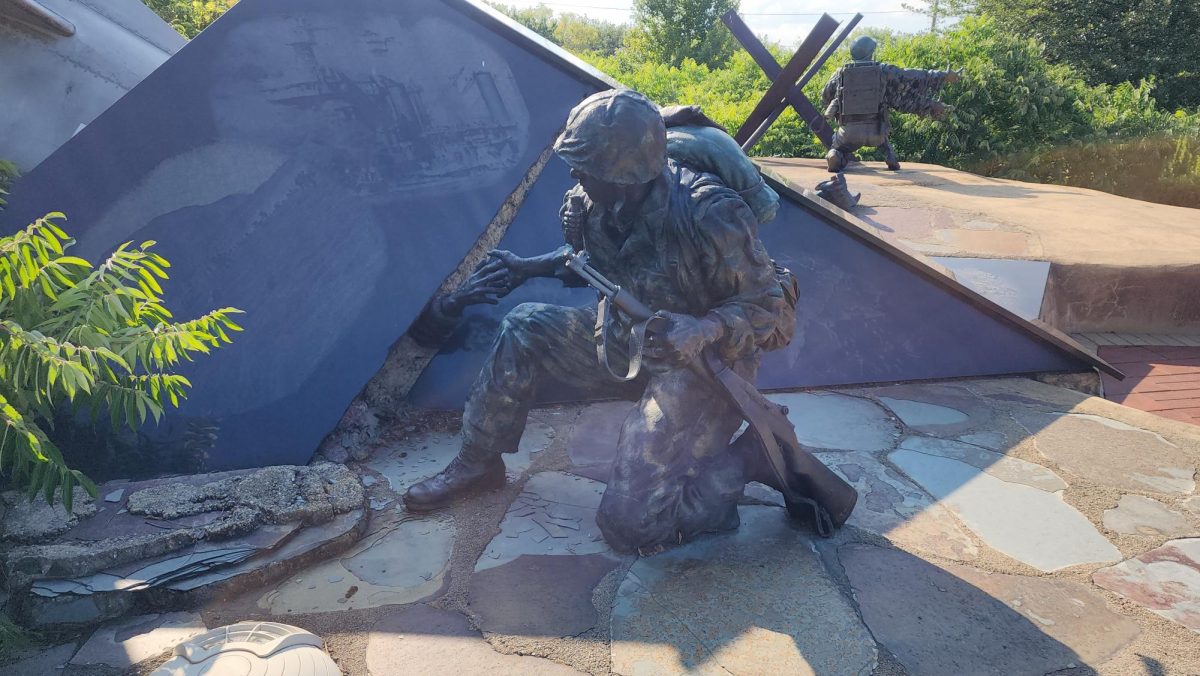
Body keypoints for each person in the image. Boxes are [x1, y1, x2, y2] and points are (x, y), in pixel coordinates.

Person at [402, 89, 793, 554]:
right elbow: (595, 263)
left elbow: (767, 304)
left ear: (625, 171)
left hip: (704, 369)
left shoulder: (710, 212)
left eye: (586, 165)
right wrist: (530, 267)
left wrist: (702, 329)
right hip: (627, 344)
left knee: (633, 528)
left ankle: (745, 461)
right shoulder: (587, 203)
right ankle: (478, 462)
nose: (574, 173)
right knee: (525, 324)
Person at [821, 36, 962, 172]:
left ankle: (835, 156)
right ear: (871, 52)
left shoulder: (839, 74)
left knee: (837, 147)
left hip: (849, 133)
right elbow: (912, 76)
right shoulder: (884, 70)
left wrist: (839, 112)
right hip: (877, 132)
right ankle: (890, 157)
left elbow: (826, 96)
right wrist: (943, 76)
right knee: (883, 137)